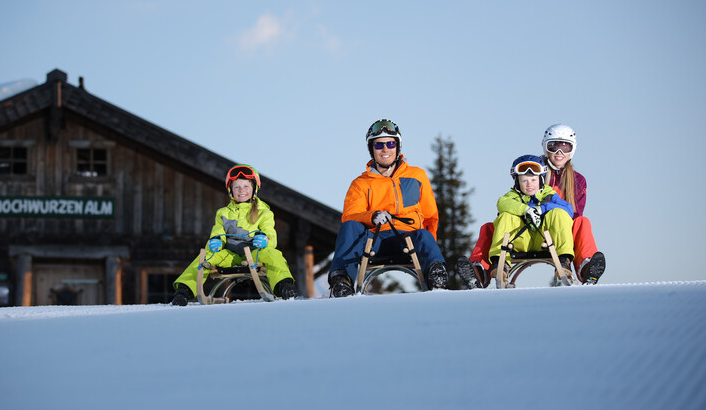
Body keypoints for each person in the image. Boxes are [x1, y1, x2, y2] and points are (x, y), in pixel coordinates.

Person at [456, 124, 606, 288]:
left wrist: (547, 212)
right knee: (491, 227)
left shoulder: (577, 180)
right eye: (553, 147)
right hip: (523, 231)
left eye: (565, 148)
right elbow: (506, 202)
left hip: (559, 232)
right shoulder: (532, 168)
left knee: (581, 222)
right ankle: (480, 271)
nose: (559, 153)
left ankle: (586, 266)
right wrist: (525, 211)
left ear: (573, 149)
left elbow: (573, 213)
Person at [327, 119, 449, 297]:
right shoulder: (361, 184)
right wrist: (373, 216)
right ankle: (342, 281)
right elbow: (350, 215)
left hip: (407, 238)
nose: (385, 149)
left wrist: (430, 249)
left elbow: (431, 217)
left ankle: (436, 273)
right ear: (372, 149)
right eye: (379, 145)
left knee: (424, 233)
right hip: (374, 239)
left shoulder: (417, 176)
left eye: (390, 143)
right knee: (350, 226)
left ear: (397, 147)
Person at [171, 164, 299, 305]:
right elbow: (217, 232)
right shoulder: (223, 213)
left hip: (256, 253)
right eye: (237, 187)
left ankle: (283, 286)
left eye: (246, 186)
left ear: (254, 188)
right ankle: (183, 292)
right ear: (231, 190)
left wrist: (265, 240)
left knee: (273, 254)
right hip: (230, 255)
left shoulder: (264, 213)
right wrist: (215, 241)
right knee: (205, 256)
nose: (241, 190)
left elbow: (270, 235)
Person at [486, 155, 574, 279]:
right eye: (524, 181)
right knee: (506, 216)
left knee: (559, 213)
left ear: (541, 179)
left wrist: (542, 208)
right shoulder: (512, 196)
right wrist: (525, 210)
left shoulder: (549, 194)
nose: (529, 184)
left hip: (544, 240)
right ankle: (501, 263)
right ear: (517, 181)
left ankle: (564, 261)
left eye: (533, 180)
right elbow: (502, 203)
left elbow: (569, 209)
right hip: (519, 240)